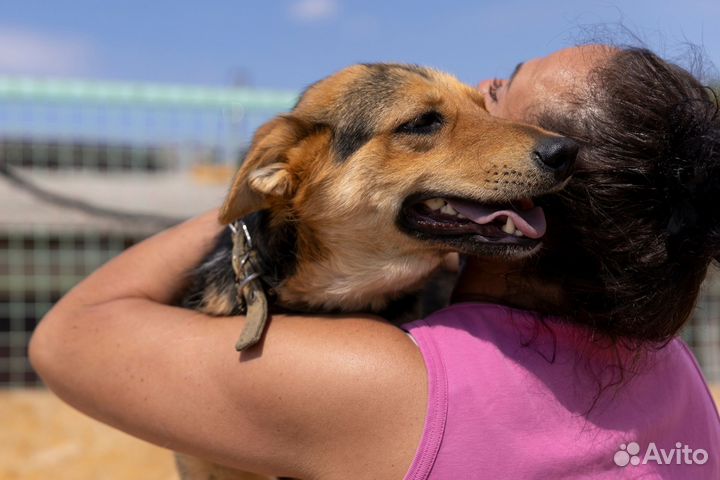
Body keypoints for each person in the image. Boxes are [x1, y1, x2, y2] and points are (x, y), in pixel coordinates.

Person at [29, 44, 720, 479]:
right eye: (431, 118)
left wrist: (274, 189)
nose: (483, 94)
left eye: (502, 94)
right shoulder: (671, 367)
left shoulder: (382, 383)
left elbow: (68, 338)